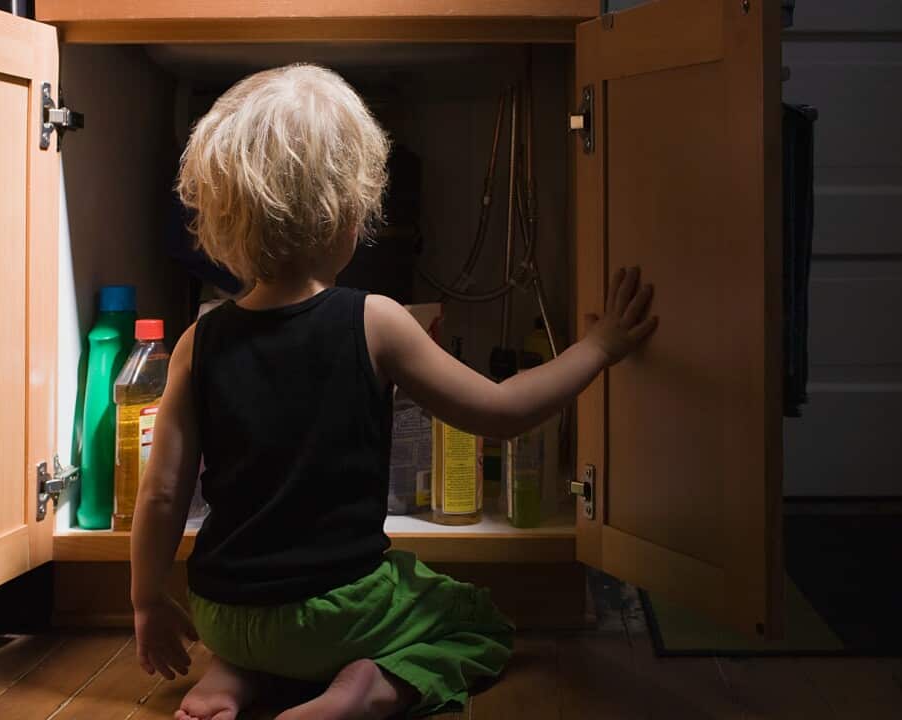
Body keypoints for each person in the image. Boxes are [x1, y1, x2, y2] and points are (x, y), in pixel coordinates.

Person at [129, 63, 657, 720]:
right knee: (475, 622)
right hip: (339, 611)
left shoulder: (197, 340)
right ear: (348, 214)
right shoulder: (375, 320)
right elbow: (503, 412)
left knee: (270, 630)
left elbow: (160, 494)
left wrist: (147, 601)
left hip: (223, 612)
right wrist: (599, 347)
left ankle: (235, 674)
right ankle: (366, 692)